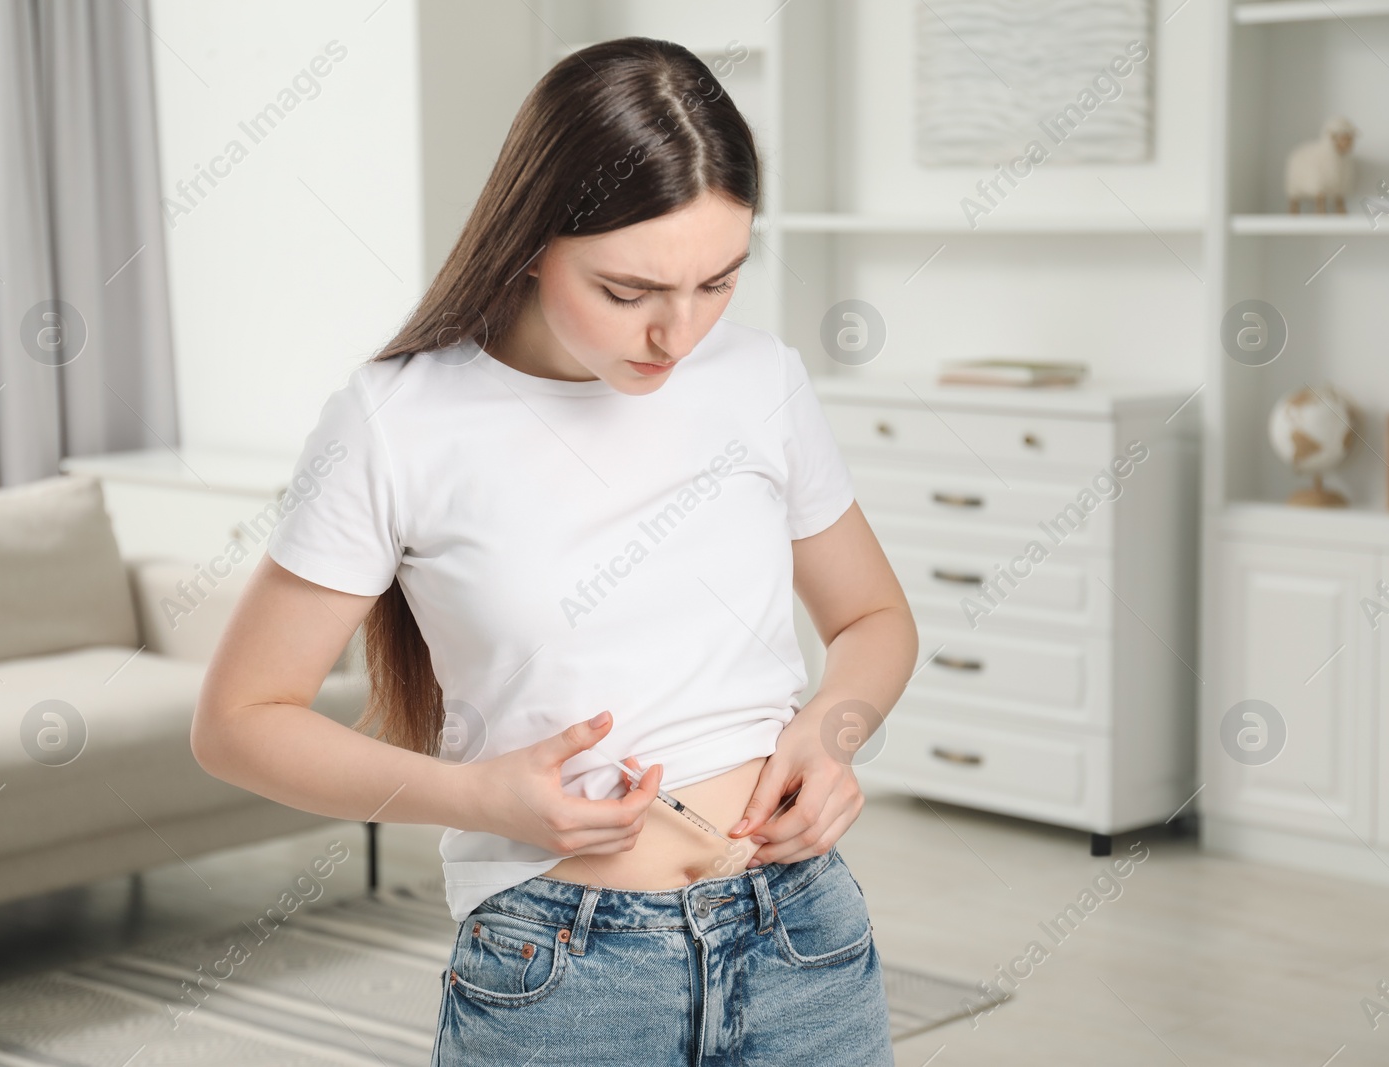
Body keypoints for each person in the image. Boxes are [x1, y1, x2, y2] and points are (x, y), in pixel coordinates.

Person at [192, 35, 917, 1066]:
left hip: (799, 936)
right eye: (628, 292)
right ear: (531, 241)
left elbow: (872, 619)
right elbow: (237, 723)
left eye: (718, 282)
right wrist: (479, 797)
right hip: (565, 971)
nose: (678, 334)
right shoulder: (397, 419)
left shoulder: (761, 379)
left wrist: (833, 731)